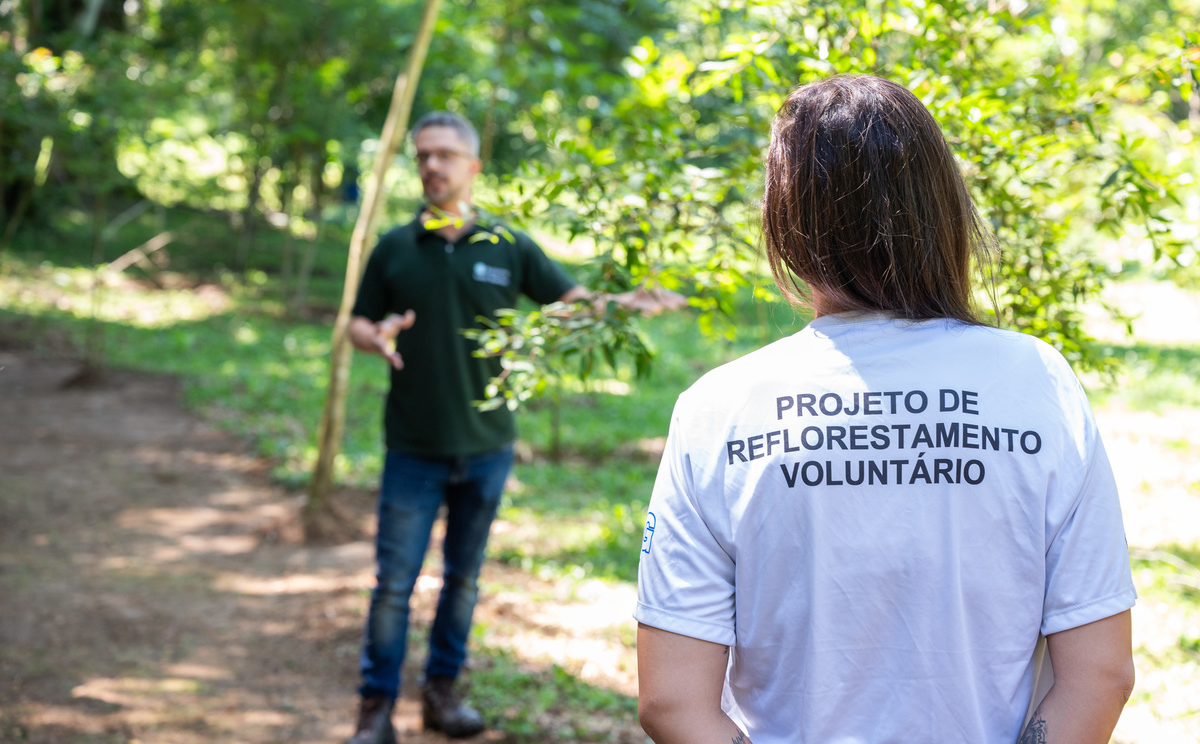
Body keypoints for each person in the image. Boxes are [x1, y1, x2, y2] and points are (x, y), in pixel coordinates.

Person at [634, 74, 1136, 744]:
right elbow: (1100, 676)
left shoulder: (719, 407)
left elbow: (672, 701)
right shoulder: (1037, 383)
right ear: (944, 208)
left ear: (785, 224)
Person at [346, 111, 682, 744]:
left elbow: (571, 302)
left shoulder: (506, 243)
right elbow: (357, 322)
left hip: (487, 448)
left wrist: (627, 303)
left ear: (473, 166)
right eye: (423, 155)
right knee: (393, 586)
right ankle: (376, 710)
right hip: (413, 448)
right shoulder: (395, 246)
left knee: (463, 581)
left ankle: (442, 695)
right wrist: (375, 336)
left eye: (445, 154)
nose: (432, 165)